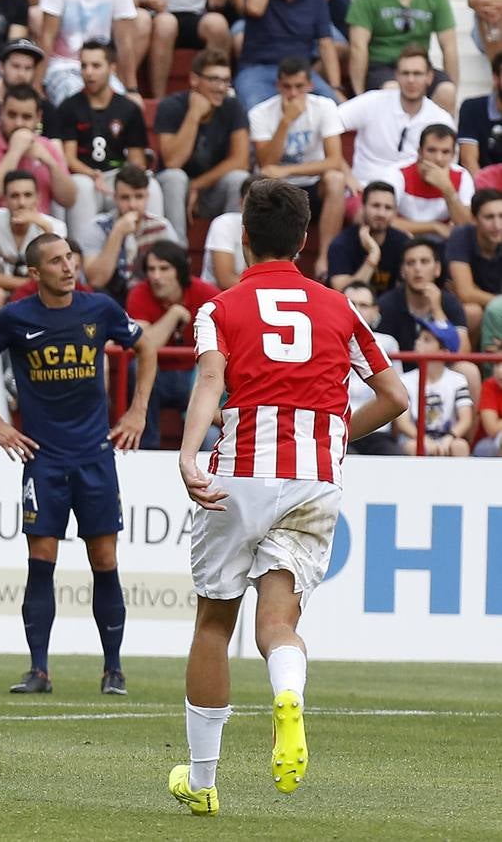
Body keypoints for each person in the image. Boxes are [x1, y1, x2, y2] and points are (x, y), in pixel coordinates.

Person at [170, 179, 407, 817]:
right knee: (279, 624)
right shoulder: (338, 308)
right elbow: (395, 398)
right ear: (305, 239)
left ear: (244, 237)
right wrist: (331, 434)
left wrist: (189, 454)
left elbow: (212, 379)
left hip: (240, 471)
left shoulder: (220, 308)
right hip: (313, 477)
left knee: (214, 624)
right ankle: (289, 694)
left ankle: (203, 781)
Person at [0, 231, 158, 695]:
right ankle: (39, 670)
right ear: (34, 273)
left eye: (69, 257)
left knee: (104, 558)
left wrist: (137, 410)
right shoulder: (14, 318)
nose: (67, 266)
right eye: (55, 261)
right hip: (43, 459)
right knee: (40, 559)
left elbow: (145, 348)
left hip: (94, 456)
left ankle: (113, 669)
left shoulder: (101, 309)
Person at [248, 57, 347, 278]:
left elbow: (334, 161)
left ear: (310, 86)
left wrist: (287, 170)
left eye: (299, 87)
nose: (293, 93)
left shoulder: (324, 107)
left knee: (336, 179)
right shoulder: (261, 112)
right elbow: (266, 162)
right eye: (287, 87)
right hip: (276, 188)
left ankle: (325, 258)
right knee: (261, 180)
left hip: (311, 183)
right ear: (278, 86)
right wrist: (285, 121)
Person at [54, 39, 157, 247]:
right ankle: (81, 254)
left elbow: (137, 161)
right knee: (81, 187)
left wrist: (122, 183)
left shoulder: (129, 108)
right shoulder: (69, 107)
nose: (88, 72)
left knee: (151, 185)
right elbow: (69, 158)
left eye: (96, 66)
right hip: (86, 175)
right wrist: (92, 174)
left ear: (112, 68)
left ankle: (152, 250)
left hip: (118, 176)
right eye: (84, 66)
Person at [126, 241, 219, 449]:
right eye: (151, 269)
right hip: (156, 376)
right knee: (135, 367)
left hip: (197, 377)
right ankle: (147, 447)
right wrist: (173, 314)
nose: (156, 276)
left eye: (164, 268)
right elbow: (143, 346)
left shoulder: (207, 294)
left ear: (180, 270)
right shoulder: (139, 293)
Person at [346, 0, 457, 114]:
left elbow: (449, 47)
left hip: (420, 66)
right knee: (393, 91)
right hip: (382, 67)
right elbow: (357, 47)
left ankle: (442, 139)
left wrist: (453, 86)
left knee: (446, 92)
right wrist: (359, 95)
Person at [0, 83, 77, 234]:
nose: (18, 123)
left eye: (26, 117)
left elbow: (69, 199)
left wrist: (50, 163)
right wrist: (15, 152)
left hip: (33, 238)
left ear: (38, 118)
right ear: (1, 112)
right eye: (12, 115)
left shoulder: (46, 147)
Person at [231, 0, 340, 111]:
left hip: (300, 72)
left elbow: (325, 43)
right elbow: (254, 8)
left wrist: (335, 87)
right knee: (256, 110)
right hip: (259, 70)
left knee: (332, 107)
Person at [154, 48, 250, 241]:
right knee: (175, 178)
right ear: (194, 80)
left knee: (239, 178)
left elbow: (240, 160)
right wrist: (194, 115)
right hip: (174, 193)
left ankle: (234, 251)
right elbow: (173, 161)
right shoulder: (170, 106)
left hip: (210, 189)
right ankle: (176, 255)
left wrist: (196, 186)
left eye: (225, 80)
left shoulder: (233, 106)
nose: (221, 87)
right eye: (214, 79)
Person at [337, 45, 455, 192]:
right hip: (364, 190)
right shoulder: (372, 101)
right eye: (405, 73)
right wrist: (346, 174)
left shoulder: (441, 118)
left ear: (429, 77)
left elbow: (447, 164)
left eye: (417, 74)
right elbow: (326, 126)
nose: (411, 80)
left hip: (412, 196)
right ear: (396, 76)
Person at [38, 0, 140, 107]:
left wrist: (132, 89)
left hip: (101, 66)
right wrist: (37, 86)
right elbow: (47, 38)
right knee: (75, 100)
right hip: (62, 67)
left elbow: (124, 43)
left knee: (120, 106)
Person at [129, 0, 229, 99]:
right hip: (158, 12)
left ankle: (213, 91)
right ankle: (159, 99)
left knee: (218, 24)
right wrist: (146, 0)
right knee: (167, 24)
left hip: (195, 14)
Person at [79, 163, 178, 300]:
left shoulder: (162, 228)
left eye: (139, 197)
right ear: (115, 198)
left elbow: (177, 277)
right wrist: (117, 233)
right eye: (125, 198)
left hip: (150, 300)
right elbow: (96, 281)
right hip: (108, 302)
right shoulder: (97, 227)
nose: (132, 205)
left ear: (147, 197)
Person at [0, 169, 69, 304]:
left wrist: (46, 229)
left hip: (38, 293)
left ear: (37, 198)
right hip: (0, 290)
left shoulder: (55, 226)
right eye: (14, 196)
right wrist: (31, 283)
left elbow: (56, 275)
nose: (21, 202)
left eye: (28, 195)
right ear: (4, 200)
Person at [392, 320, 473, 457]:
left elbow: (465, 419)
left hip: (447, 436)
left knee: (460, 446)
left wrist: (450, 437)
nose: (418, 342)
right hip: (414, 437)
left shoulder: (458, 380)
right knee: (413, 447)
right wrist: (423, 439)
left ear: (444, 352)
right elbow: (403, 422)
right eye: (419, 337)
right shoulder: (405, 380)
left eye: (427, 340)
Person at [342, 281, 404, 456]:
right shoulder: (329, 340)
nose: (357, 310)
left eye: (363, 305)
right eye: (352, 304)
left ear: (376, 310)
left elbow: (398, 390)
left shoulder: (387, 342)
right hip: (338, 428)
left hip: (377, 429)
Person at [387, 125, 474, 241]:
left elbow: (466, 226)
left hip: (443, 245)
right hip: (403, 240)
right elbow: (384, 220)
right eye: (431, 150)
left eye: (445, 152)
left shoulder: (462, 176)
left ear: (453, 155)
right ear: (420, 152)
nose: (438, 158)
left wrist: (447, 189)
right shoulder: (398, 173)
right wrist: (434, 227)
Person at [328, 181, 411, 295]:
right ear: (363, 207)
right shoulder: (342, 243)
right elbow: (344, 293)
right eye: (376, 206)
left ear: (395, 212)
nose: (381, 213)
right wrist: (373, 255)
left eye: (388, 208)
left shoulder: (402, 242)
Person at [446, 188, 502, 350]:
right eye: (489, 217)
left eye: (501, 216)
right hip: (462, 307)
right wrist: (497, 303)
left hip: (493, 304)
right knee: (473, 312)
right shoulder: (461, 236)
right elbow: (466, 293)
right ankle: (471, 366)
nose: (497, 225)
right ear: (474, 218)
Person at [0, 38, 58, 135]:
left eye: (28, 68)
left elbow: (55, 147)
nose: (21, 74)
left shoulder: (46, 110)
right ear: (1, 67)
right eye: (16, 66)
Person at [201, 174, 256, 290]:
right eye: (254, 203)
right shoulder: (223, 223)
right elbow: (225, 281)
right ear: (241, 204)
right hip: (217, 298)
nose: (260, 210)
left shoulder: (279, 229)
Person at [460, 52, 502, 177]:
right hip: (481, 190)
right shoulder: (472, 108)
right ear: (495, 77)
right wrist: (486, 191)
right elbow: (468, 161)